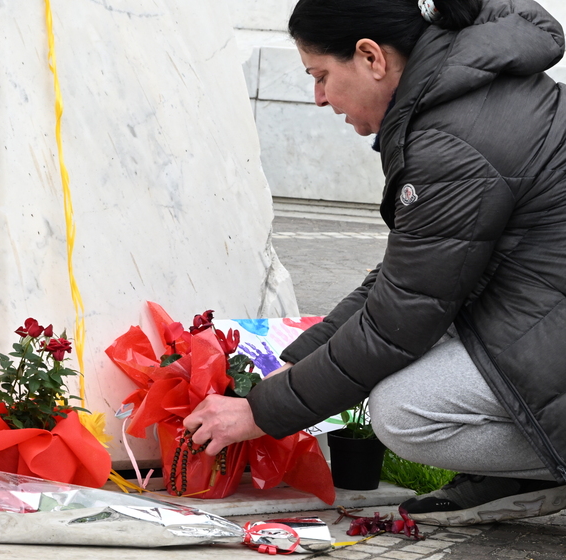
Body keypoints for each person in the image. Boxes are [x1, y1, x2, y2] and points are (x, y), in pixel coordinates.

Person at [185, 0, 566, 526]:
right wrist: (299, 359)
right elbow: (411, 281)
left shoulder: (452, 139)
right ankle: (528, 474)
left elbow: (400, 322)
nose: (318, 98)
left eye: (321, 75)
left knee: (406, 411)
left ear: (371, 57)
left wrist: (260, 412)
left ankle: (544, 468)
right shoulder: (469, 98)